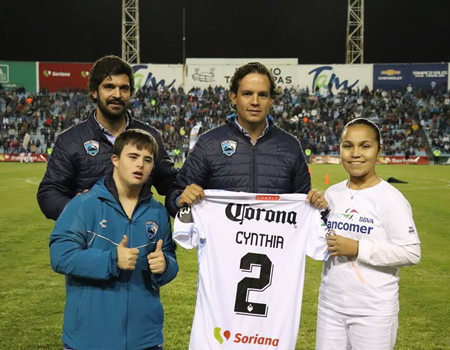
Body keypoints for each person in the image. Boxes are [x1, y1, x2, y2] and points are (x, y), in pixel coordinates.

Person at [50, 129, 178, 350]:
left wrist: (165, 265)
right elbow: (60, 256)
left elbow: (170, 258)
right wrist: (111, 260)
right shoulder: (84, 204)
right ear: (115, 160)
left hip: (145, 340)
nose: (140, 165)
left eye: (147, 160)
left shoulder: (157, 212)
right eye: (133, 157)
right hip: (90, 341)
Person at [166, 62, 327, 216]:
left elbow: (304, 206)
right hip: (223, 244)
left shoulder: (290, 146)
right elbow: (175, 195)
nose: (255, 102)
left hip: (273, 243)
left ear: (271, 100)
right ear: (234, 97)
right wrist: (180, 200)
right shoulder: (209, 143)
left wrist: (315, 202)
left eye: (262, 95)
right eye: (247, 94)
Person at [316, 118, 421, 350]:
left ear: (379, 150)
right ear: (340, 149)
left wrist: (357, 248)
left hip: (373, 312)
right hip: (330, 307)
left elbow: (411, 252)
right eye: (347, 146)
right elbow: (322, 238)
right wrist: (313, 208)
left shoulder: (390, 199)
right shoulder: (333, 193)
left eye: (365, 146)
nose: (355, 153)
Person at [38, 55, 177, 220]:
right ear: (94, 91)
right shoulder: (70, 140)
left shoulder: (150, 136)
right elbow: (49, 192)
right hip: (90, 241)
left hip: (138, 238)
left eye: (124, 88)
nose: (117, 94)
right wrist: (76, 208)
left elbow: (170, 184)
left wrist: (179, 201)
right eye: (109, 87)